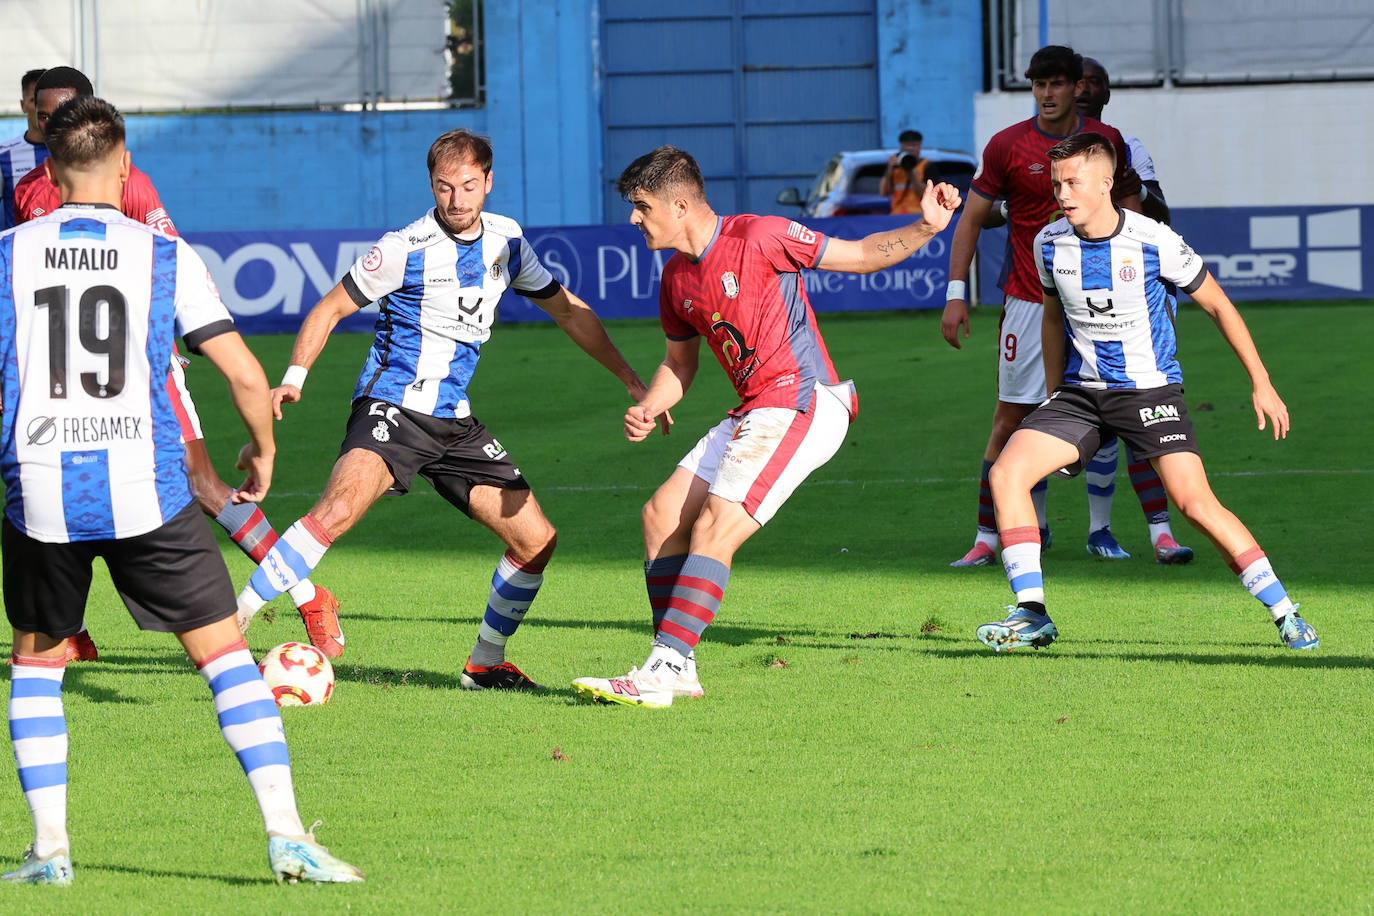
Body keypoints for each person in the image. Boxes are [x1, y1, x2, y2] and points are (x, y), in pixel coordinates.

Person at [0, 95, 362, 885]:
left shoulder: (7, 252)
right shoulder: (164, 255)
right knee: (226, 658)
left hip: (40, 486)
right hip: (146, 488)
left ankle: (49, 852)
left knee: (35, 667)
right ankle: (286, 836)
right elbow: (241, 372)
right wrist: (261, 452)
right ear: (124, 165)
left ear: (51, 173)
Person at [234, 128, 657, 690]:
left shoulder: (507, 241)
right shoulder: (404, 247)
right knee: (335, 511)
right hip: (392, 406)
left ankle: (485, 663)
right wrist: (294, 377)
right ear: (430, 186)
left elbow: (569, 311)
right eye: (443, 188)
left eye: (466, 187)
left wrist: (629, 376)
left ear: (488, 182)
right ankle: (230, 633)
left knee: (536, 541)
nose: (455, 201)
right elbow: (330, 308)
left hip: (454, 421)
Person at [570, 146, 962, 709]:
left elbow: (860, 256)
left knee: (715, 525)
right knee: (660, 516)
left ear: (679, 204)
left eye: (641, 205)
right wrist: (652, 403)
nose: (634, 218)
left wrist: (926, 225)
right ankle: (677, 665)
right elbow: (680, 365)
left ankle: (661, 670)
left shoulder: (759, 235)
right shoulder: (677, 278)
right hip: (757, 407)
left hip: (805, 400)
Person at [15, 66, 342, 660]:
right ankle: (67, 632)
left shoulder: (131, 185)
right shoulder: (27, 190)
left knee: (201, 485)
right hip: (58, 376)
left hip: (138, 368)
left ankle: (307, 594)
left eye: (59, 108)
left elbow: (169, 264)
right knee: (60, 488)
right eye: (41, 109)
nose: (46, 118)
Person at [975, 131, 1316, 653]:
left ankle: (1286, 613)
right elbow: (1051, 315)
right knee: (1006, 471)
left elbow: (1220, 306)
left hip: (1149, 393)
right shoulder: (1049, 242)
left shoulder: (1154, 240)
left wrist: (1262, 382)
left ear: (1106, 183)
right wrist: (1050, 394)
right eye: (1057, 183)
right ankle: (1032, 613)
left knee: (1194, 504)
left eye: (1074, 182)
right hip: (1080, 395)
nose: (1063, 193)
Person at [940, 45, 1190, 568]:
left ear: (1078, 87)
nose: (1047, 93)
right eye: (1039, 84)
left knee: (1130, 411)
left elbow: (1133, 215)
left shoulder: (1109, 144)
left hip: (1103, 306)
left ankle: (1142, 530)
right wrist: (956, 293)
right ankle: (989, 537)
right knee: (1012, 418)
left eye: (1057, 83)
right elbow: (972, 217)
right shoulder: (1007, 145)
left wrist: (1152, 289)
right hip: (1032, 303)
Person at [1067, 56, 1189, 561]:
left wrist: (1132, 186)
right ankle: (1097, 530)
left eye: (1097, 83)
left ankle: (1160, 532)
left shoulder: (1129, 148)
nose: (1086, 89)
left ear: (1107, 95)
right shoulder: (1053, 154)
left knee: (1146, 410)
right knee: (1093, 409)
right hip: (1076, 292)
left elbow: (1160, 212)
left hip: (1143, 293)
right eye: (1080, 82)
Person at [1, 69, 48, 230]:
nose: (40, 108)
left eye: (46, 100)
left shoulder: (74, 152)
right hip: (18, 252)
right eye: (34, 100)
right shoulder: (4, 155)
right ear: (23, 105)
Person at [878, 129, 931, 215]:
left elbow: (926, 194)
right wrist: (890, 168)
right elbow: (883, 193)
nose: (910, 148)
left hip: (919, 216)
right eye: (907, 145)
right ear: (901, 147)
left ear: (920, 146)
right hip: (897, 215)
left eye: (914, 145)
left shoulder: (927, 165)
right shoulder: (895, 165)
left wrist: (909, 171)